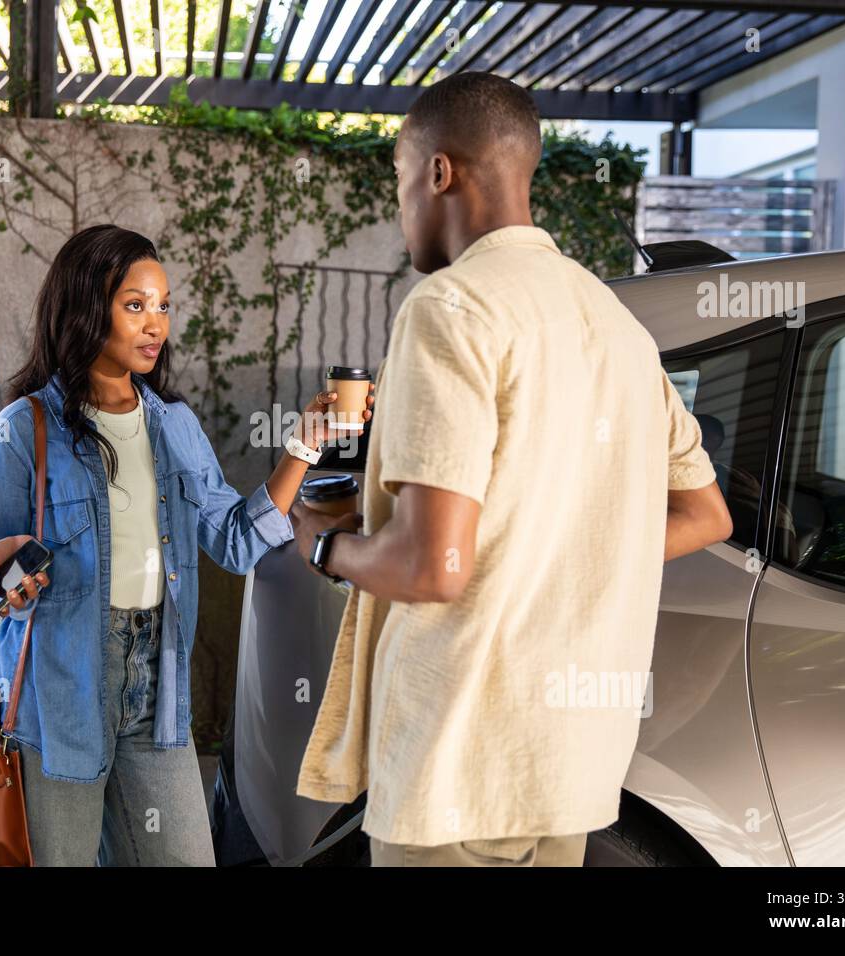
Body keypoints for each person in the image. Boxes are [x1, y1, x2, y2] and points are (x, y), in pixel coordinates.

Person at [288, 72, 733, 868]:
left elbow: (432, 566)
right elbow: (706, 515)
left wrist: (326, 546)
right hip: (569, 771)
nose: (401, 210)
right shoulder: (616, 326)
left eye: (397, 180)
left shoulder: (451, 307)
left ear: (438, 172)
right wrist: (543, 545)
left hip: (457, 763)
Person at [0, 224, 372, 866]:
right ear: (84, 307)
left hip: (157, 690)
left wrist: (306, 443)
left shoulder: (175, 426)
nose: (155, 323)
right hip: (58, 694)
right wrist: (8, 579)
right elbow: (0, 576)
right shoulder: (22, 430)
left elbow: (238, 542)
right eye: (135, 305)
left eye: (163, 306)